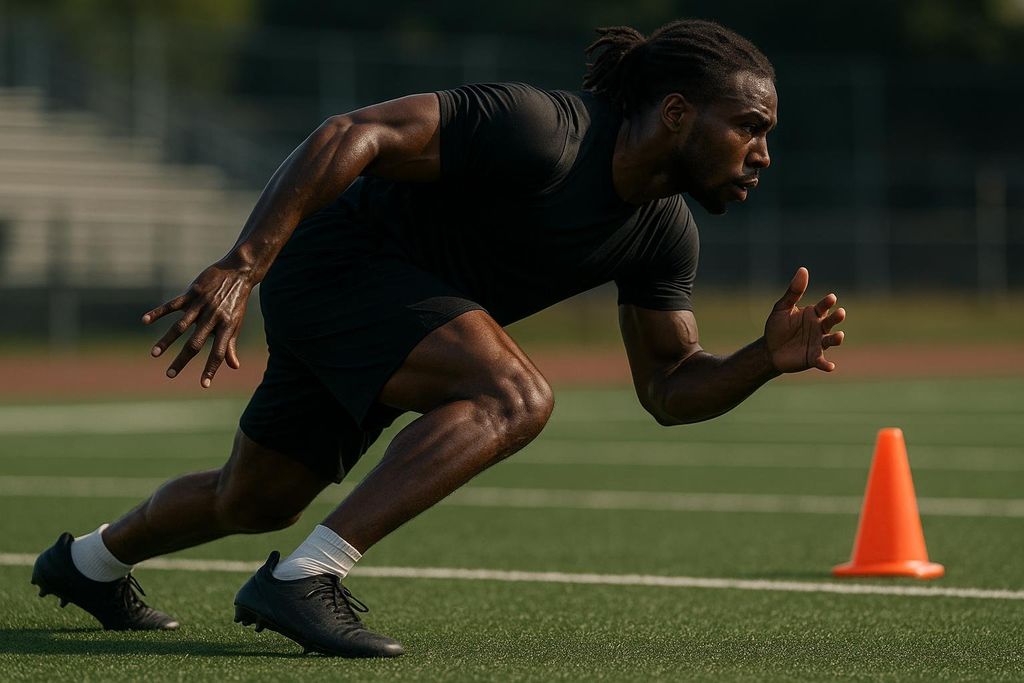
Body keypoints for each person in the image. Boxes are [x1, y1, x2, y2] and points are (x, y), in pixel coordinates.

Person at [31, 19, 845, 657]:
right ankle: (308, 578)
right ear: (676, 113)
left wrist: (760, 361)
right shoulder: (544, 131)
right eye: (749, 127)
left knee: (253, 498)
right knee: (514, 394)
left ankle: (90, 563)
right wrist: (244, 263)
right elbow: (355, 130)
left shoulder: (663, 234)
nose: (763, 154)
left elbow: (669, 388)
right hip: (337, 268)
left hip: (400, 314)